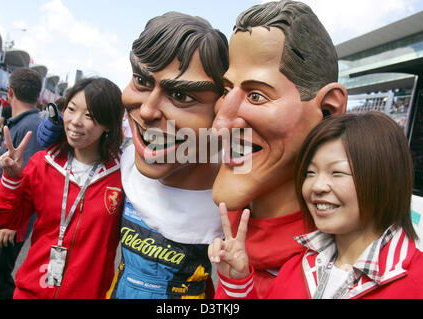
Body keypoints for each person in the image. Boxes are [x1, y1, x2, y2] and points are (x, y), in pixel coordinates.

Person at [37, 11, 229, 299]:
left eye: (181, 96)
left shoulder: (236, 187)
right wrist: (58, 136)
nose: (149, 110)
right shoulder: (123, 165)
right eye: (141, 80)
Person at [210, 0, 347, 297]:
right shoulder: (228, 224)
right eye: (226, 90)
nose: (219, 125)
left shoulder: (348, 265)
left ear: (327, 111)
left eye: (257, 95)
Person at [210, 112, 423, 299]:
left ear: (384, 179)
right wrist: (236, 283)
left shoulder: (415, 281)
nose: (317, 186)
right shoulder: (299, 266)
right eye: (310, 173)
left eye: (337, 173)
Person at [0, 77, 124, 298]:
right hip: (31, 291)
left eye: (89, 115)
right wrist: (11, 180)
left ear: (108, 123)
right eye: (71, 109)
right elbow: (4, 220)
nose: (75, 121)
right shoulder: (43, 162)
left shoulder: (122, 173)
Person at [0, 68, 44, 299]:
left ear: (10, 91)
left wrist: (10, 224)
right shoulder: (24, 123)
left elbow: (31, 182)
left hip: (4, 225)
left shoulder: (30, 127)